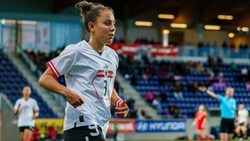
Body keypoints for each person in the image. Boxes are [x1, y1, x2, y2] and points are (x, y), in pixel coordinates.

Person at [39, 1, 129, 141]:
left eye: (114, 24)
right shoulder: (76, 51)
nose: (112, 28)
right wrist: (67, 92)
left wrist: (118, 102)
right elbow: (45, 78)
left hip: (100, 123)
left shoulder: (112, 56)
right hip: (81, 122)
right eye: (107, 23)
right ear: (91, 26)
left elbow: (108, 86)